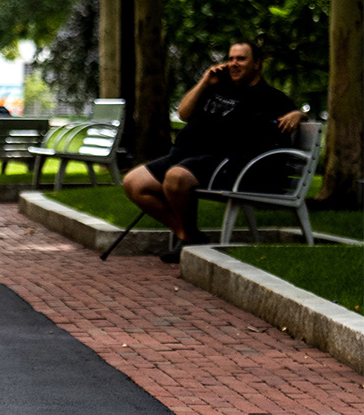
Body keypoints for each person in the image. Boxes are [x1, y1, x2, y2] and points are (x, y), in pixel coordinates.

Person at [122, 41, 303, 263]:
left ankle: (189, 240)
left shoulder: (268, 96)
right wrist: (204, 82)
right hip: (184, 155)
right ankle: (189, 235)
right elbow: (184, 113)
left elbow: (293, 114)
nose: (234, 64)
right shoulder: (217, 87)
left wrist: (298, 115)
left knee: (177, 178)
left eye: (241, 59)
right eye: (231, 58)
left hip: (221, 162)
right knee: (133, 183)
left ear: (257, 64)